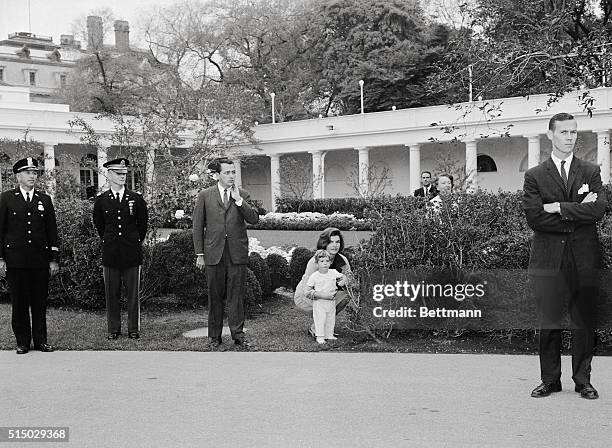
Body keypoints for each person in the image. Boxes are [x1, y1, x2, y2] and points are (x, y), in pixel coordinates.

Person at [522, 112, 606, 400]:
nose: (570, 137)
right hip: (547, 259)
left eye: (573, 132)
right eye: (564, 132)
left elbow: (599, 210)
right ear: (550, 135)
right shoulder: (534, 175)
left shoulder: (590, 171)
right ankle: (550, 380)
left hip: (584, 257)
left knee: (584, 322)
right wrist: (576, 209)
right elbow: (535, 218)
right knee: (549, 322)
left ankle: (583, 380)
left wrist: (557, 207)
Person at [193, 158, 259, 348]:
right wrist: (200, 254)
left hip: (236, 253)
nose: (231, 176)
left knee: (236, 296)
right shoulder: (205, 195)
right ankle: (214, 336)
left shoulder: (243, 195)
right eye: (227, 173)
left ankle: (238, 335)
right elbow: (198, 227)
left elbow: (254, 219)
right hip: (214, 253)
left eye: (233, 172)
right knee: (215, 296)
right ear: (217, 175)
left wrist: (238, 200)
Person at [0, 157, 59, 354]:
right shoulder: (6, 198)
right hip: (15, 260)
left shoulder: (44, 199)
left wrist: (53, 259)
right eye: (28, 173)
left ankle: (41, 340)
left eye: (34, 173)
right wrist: (1, 258)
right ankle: (22, 341)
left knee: (39, 302)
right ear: (18, 176)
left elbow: (52, 231)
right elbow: (1, 230)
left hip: (39, 260)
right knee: (19, 303)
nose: (32, 176)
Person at [93, 158, 148, 340]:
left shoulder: (135, 198)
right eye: (118, 173)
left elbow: (142, 225)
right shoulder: (101, 201)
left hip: (131, 253)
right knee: (112, 294)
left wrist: (133, 242)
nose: (123, 176)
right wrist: (110, 241)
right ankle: (113, 329)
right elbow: (100, 225)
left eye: (124, 173)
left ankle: (133, 328)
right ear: (109, 175)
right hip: (110, 253)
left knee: (133, 294)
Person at [294, 227, 353, 337]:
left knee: (347, 295)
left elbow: (351, 281)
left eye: (337, 242)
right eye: (331, 242)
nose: (335, 245)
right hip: (305, 298)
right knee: (326, 302)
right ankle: (318, 328)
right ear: (324, 243)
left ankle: (320, 327)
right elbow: (306, 291)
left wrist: (346, 279)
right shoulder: (315, 262)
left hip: (326, 295)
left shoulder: (342, 260)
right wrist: (323, 296)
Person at [305, 249, 347, 345]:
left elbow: (344, 276)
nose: (325, 263)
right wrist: (319, 295)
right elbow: (308, 290)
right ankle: (320, 336)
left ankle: (329, 334)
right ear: (317, 264)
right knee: (320, 319)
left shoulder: (333, 272)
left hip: (331, 302)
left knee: (330, 318)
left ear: (330, 262)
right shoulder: (314, 276)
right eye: (322, 261)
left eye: (327, 261)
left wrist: (343, 281)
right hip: (319, 303)